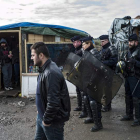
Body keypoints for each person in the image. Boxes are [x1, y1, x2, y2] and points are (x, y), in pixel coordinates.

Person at [31, 42, 71, 140]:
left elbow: (54, 102)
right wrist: (40, 110)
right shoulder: (43, 69)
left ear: (41, 55)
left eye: (33, 55)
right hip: (42, 116)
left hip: (52, 121)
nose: (31, 58)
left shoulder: (51, 73)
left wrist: (47, 120)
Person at [80, 36, 103, 132]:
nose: (83, 46)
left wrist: (92, 80)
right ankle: (91, 117)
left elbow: (98, 68)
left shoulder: (94, 52)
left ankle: (98, 124)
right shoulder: (86, 52)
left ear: (89, 43)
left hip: (94, 80)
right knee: (87, 98)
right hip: (87, 79)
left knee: (94, 102)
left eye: (84, 44)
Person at [120, 34, 140, 126]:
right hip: (128, 76)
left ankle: (138, 119)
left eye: (131, 42)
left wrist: (135, 62)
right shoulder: (128, 51)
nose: (129, 43)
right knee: (128, 96)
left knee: (136, 98)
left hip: (136, 77)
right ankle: (129, 115)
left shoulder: (139, 51)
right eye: (129, 42)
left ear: (136, 42)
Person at [99, 35, 118, 112]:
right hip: (103, 72)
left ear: (107, 40)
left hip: (109, 71)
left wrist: (103, 63)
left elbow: (114, 61)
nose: (101, 43)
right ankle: (105, 105)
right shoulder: (103, 49)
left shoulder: (111, 48)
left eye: (103, 41)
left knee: (107, 90)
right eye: (101, 42)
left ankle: (107, 106)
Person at [71, 36, 87, 118]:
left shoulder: (82, 50)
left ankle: (85, 110)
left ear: (80, 42)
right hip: (77, 73)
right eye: (73, 42)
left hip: (83, 74)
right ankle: (80, 105)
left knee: (82, 92)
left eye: (76, 42)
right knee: (78, 90)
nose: (74, 44)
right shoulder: (76, 50)